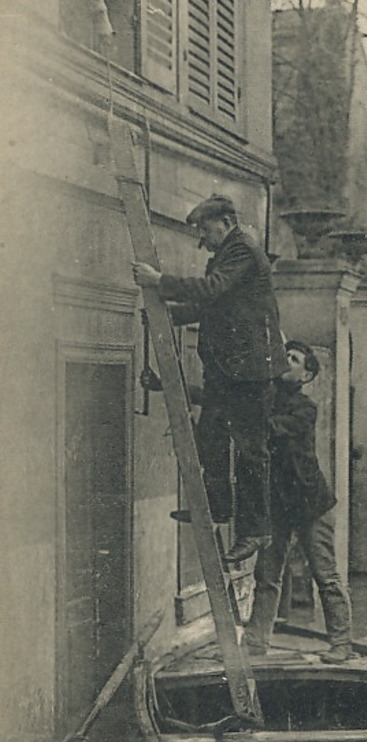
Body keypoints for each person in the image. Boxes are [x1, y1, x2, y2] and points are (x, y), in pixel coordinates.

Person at [132, 194, 289, 563]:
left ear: (226, 222)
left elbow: (212, 290)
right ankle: (218, 507)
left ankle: (255, 531)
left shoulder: (243, 251)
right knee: (211, 437)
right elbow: (209, 306)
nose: (203, 237)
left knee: (251, 451)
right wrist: (167, 317)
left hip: (250, 370)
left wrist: (159, 282)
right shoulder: (226, 254)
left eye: (206, 229)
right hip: (228, 368)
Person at [242, 339, 354, 664]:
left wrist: (247, 419)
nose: (286, 361)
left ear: (305, 376)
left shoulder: (306, 408)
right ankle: (255, 643)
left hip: (310, 505)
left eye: (293, 359)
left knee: (326, 575)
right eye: (284, 355)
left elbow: (272, 429)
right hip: (277, 505)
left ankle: (342, 644)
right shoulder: (265, 395)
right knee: (267, 575)